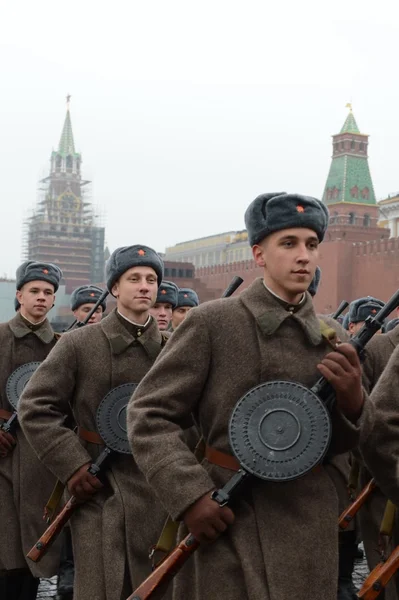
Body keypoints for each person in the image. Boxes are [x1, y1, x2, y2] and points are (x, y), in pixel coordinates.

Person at [128, 192, 372, 600]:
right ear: (259, 254)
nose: (304, 256)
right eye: (289, 244)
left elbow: (343, 444)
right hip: (227, 515)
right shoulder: (214, 322)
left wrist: (353, 404)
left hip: (306, 524)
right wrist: (191, 495)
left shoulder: (333, 336)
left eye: (312, 245)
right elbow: (150, 415)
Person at [19, 245, 176, 600]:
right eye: (133, 278)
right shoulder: (79, 343)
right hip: (98, 488)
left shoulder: (175, 346)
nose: (144, 286)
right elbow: (36, 406)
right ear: (115, 288)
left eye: (151, 279)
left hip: (160, 491)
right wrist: (74, 465)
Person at [0, 260, 62, 600]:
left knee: (34, 554)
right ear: (19, 294)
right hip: (3, 456)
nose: (41, 297)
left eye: (48, 292)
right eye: (34, 291)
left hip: (41, 461)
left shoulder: (63, 345)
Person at [57, 284, 107, 600]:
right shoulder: (67, 344)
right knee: (70, 508)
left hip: (107, 435)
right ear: (75, 312)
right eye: (86, 308)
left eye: (98, 308)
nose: (93, 314)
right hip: (74, 439)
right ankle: (67, 570)